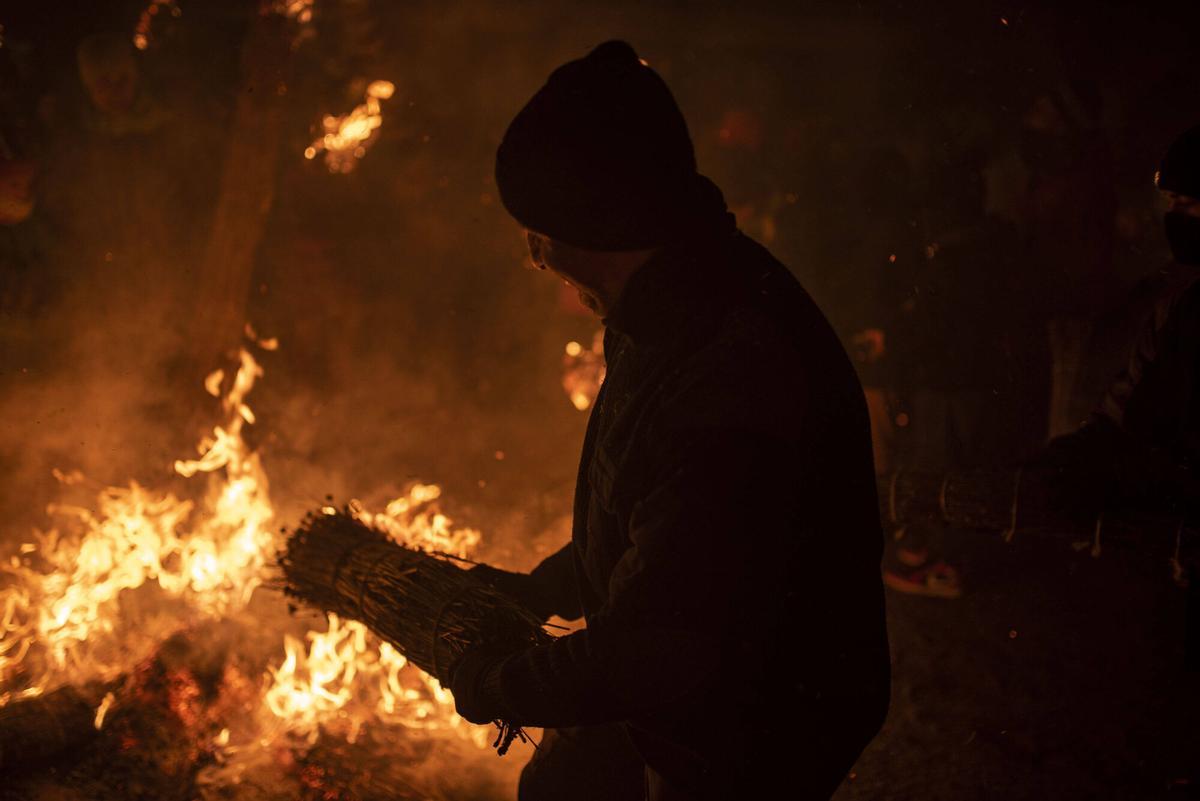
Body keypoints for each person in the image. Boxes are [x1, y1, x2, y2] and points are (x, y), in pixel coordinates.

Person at [447, 41, 890, 801]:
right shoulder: (668, 302)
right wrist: (546, 586)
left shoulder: (731, 373)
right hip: (686, 673)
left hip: (754, 720)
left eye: (539, 232)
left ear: (595, 226)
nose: (534, 256)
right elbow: (652, 513)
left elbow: (662, 643)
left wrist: (496, 682)